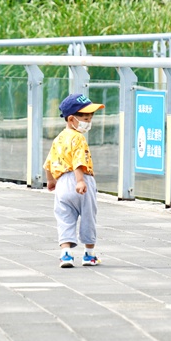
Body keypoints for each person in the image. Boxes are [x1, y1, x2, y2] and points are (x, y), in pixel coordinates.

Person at [44, 93, 104, 268]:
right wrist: (80, 181)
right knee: (88, 217)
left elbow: (48, 163)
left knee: (64, 218)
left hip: (62, 183)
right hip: (81, 181)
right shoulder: (78, 138)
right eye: (85, 118)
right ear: (71, 119)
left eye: (91, 117)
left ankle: (66, 254)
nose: (89, 121)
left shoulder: (59, 138)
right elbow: (79, 161)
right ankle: (89, 255)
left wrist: (51, 181)